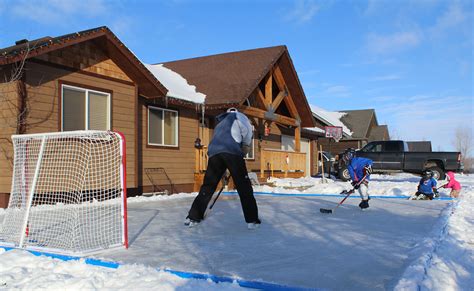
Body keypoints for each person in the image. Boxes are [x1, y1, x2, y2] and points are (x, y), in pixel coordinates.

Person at [185, 108, 260, 229]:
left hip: (215, 153)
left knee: (208, 186)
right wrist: (245, 147)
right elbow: (247, 132)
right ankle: (252, 220)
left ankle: (193, 216)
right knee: (243, 186)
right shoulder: (240, 116)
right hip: (232, 152)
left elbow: (219, 138)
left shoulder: (220, 122)